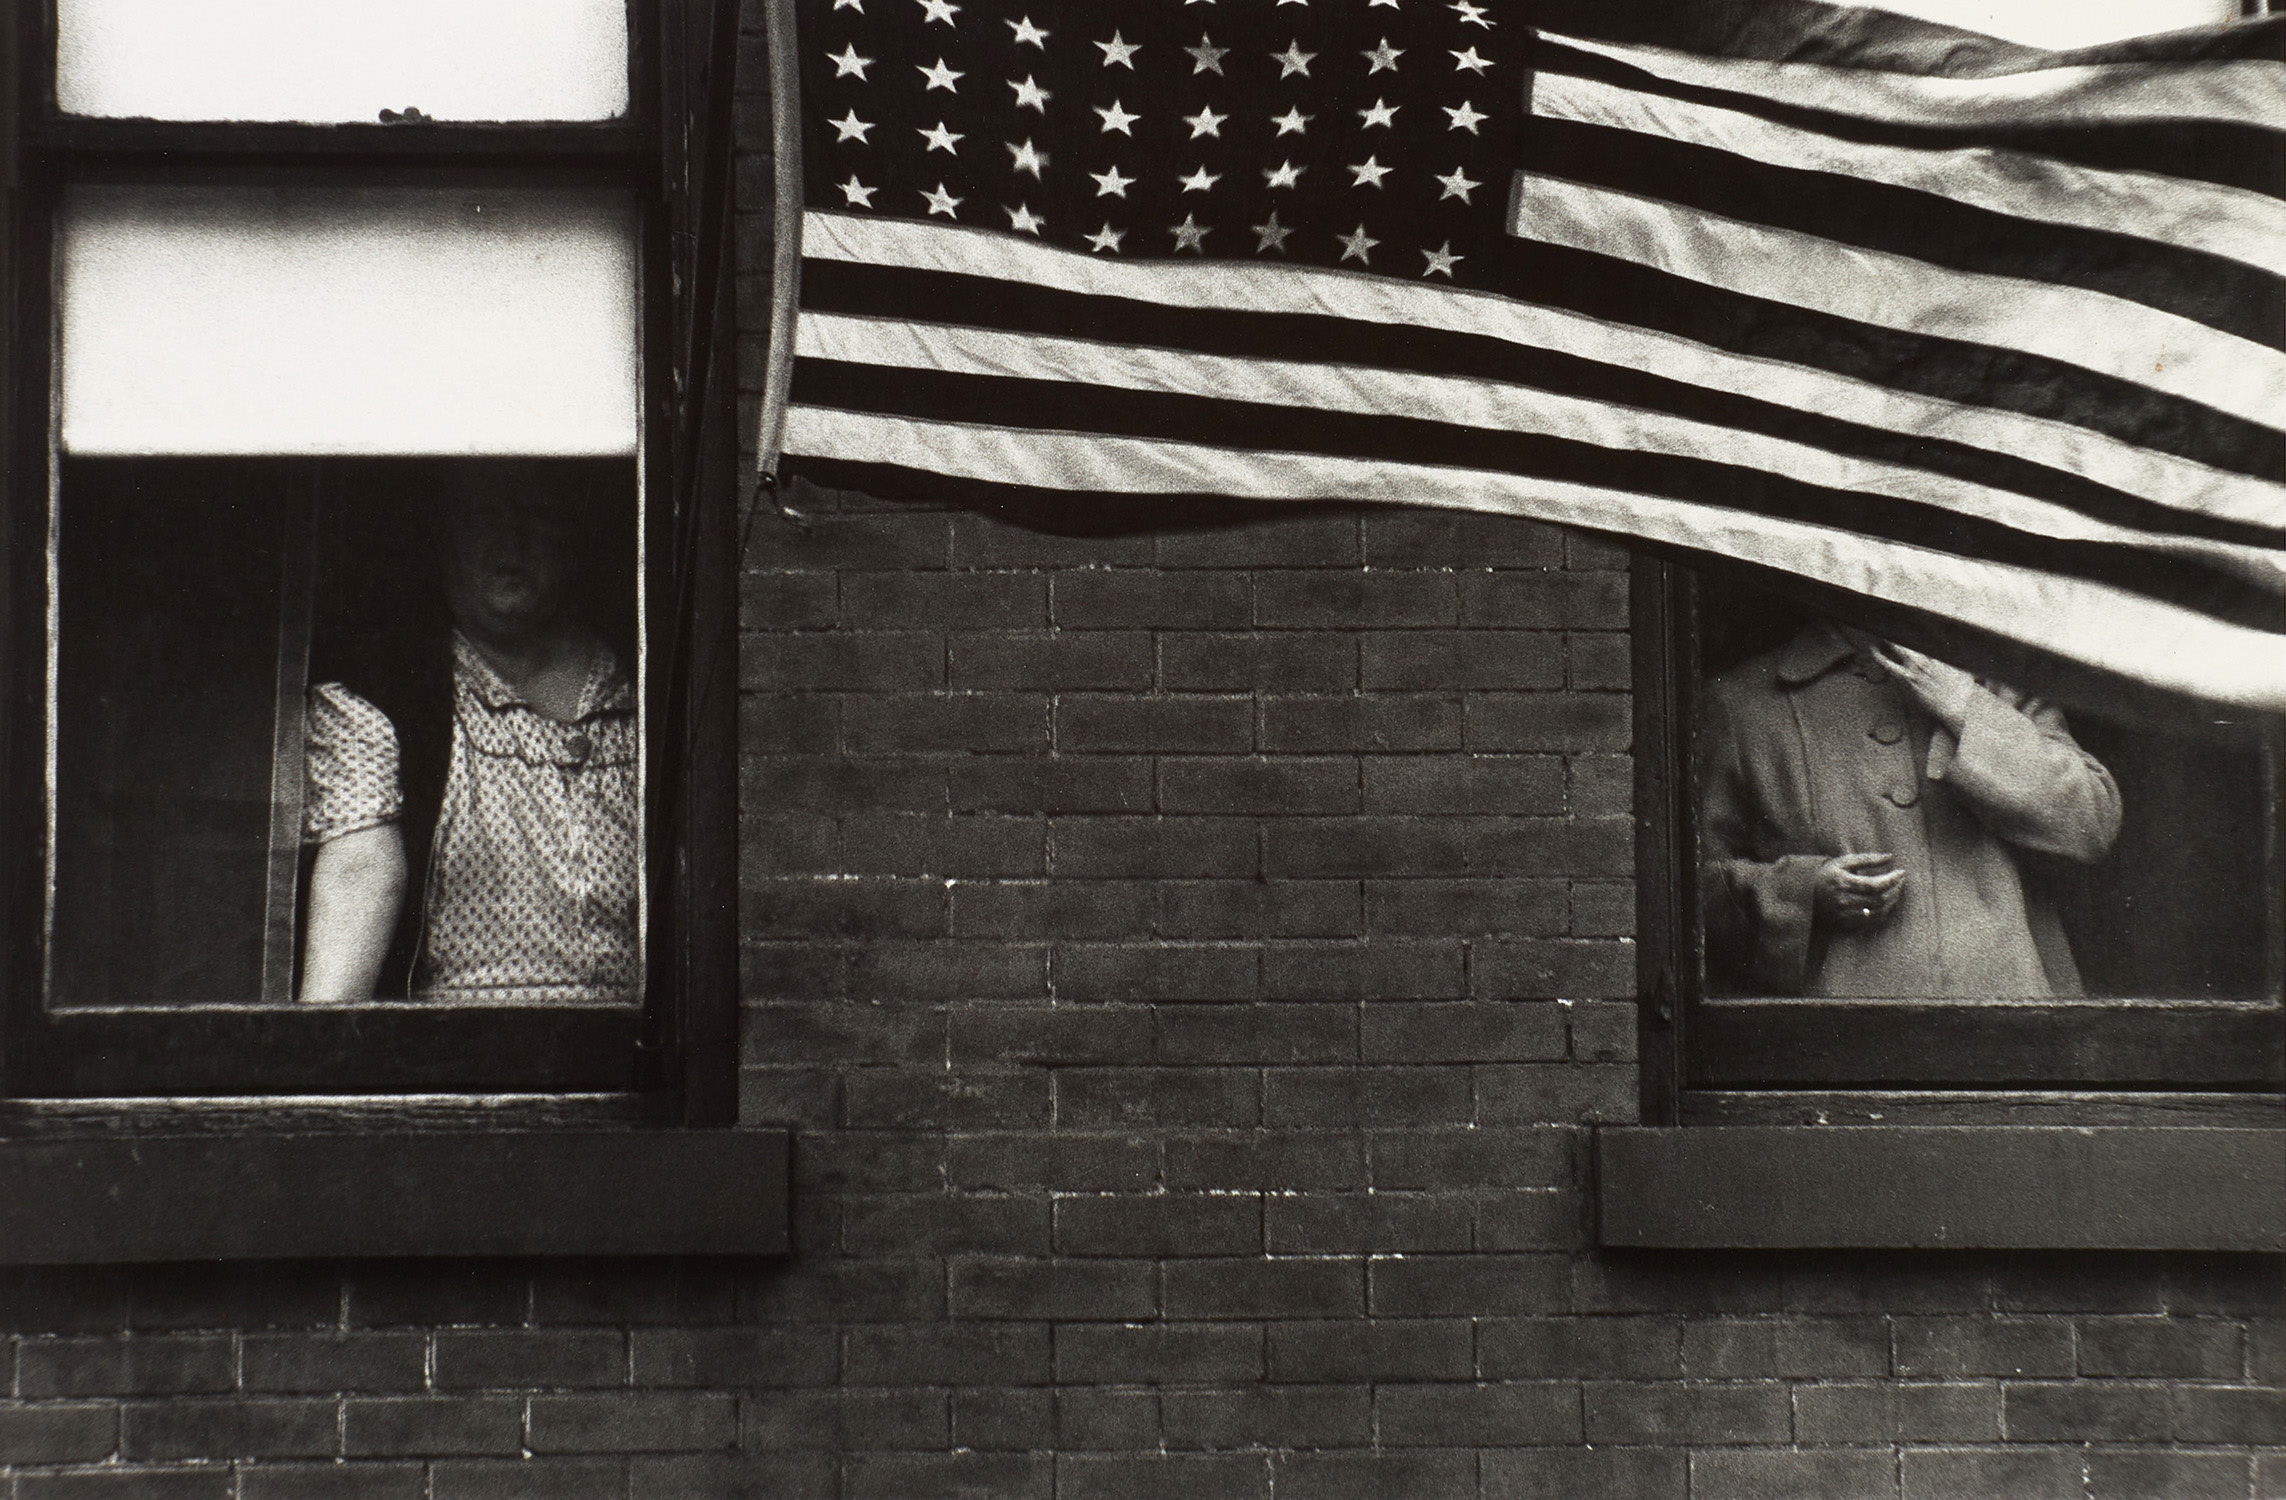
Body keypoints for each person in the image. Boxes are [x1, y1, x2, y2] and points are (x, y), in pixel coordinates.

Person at [297, 469, 640, 1003]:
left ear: (570, 537)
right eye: (484, 517)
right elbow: (359, 869)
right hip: (461, 1059)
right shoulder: (390, 696)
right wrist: (315, 1059)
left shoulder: (645, 691)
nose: (511, 539)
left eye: (536, 514)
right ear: (444, 537)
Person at [1699, 618, 2121, 998]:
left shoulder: (1999, 681)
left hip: (2010, 1022)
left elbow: (2092, 820)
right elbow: (1685, 890)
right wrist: (1802, 893)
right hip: (1836, 1036)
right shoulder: (1743, 702)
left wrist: (1967, 709)